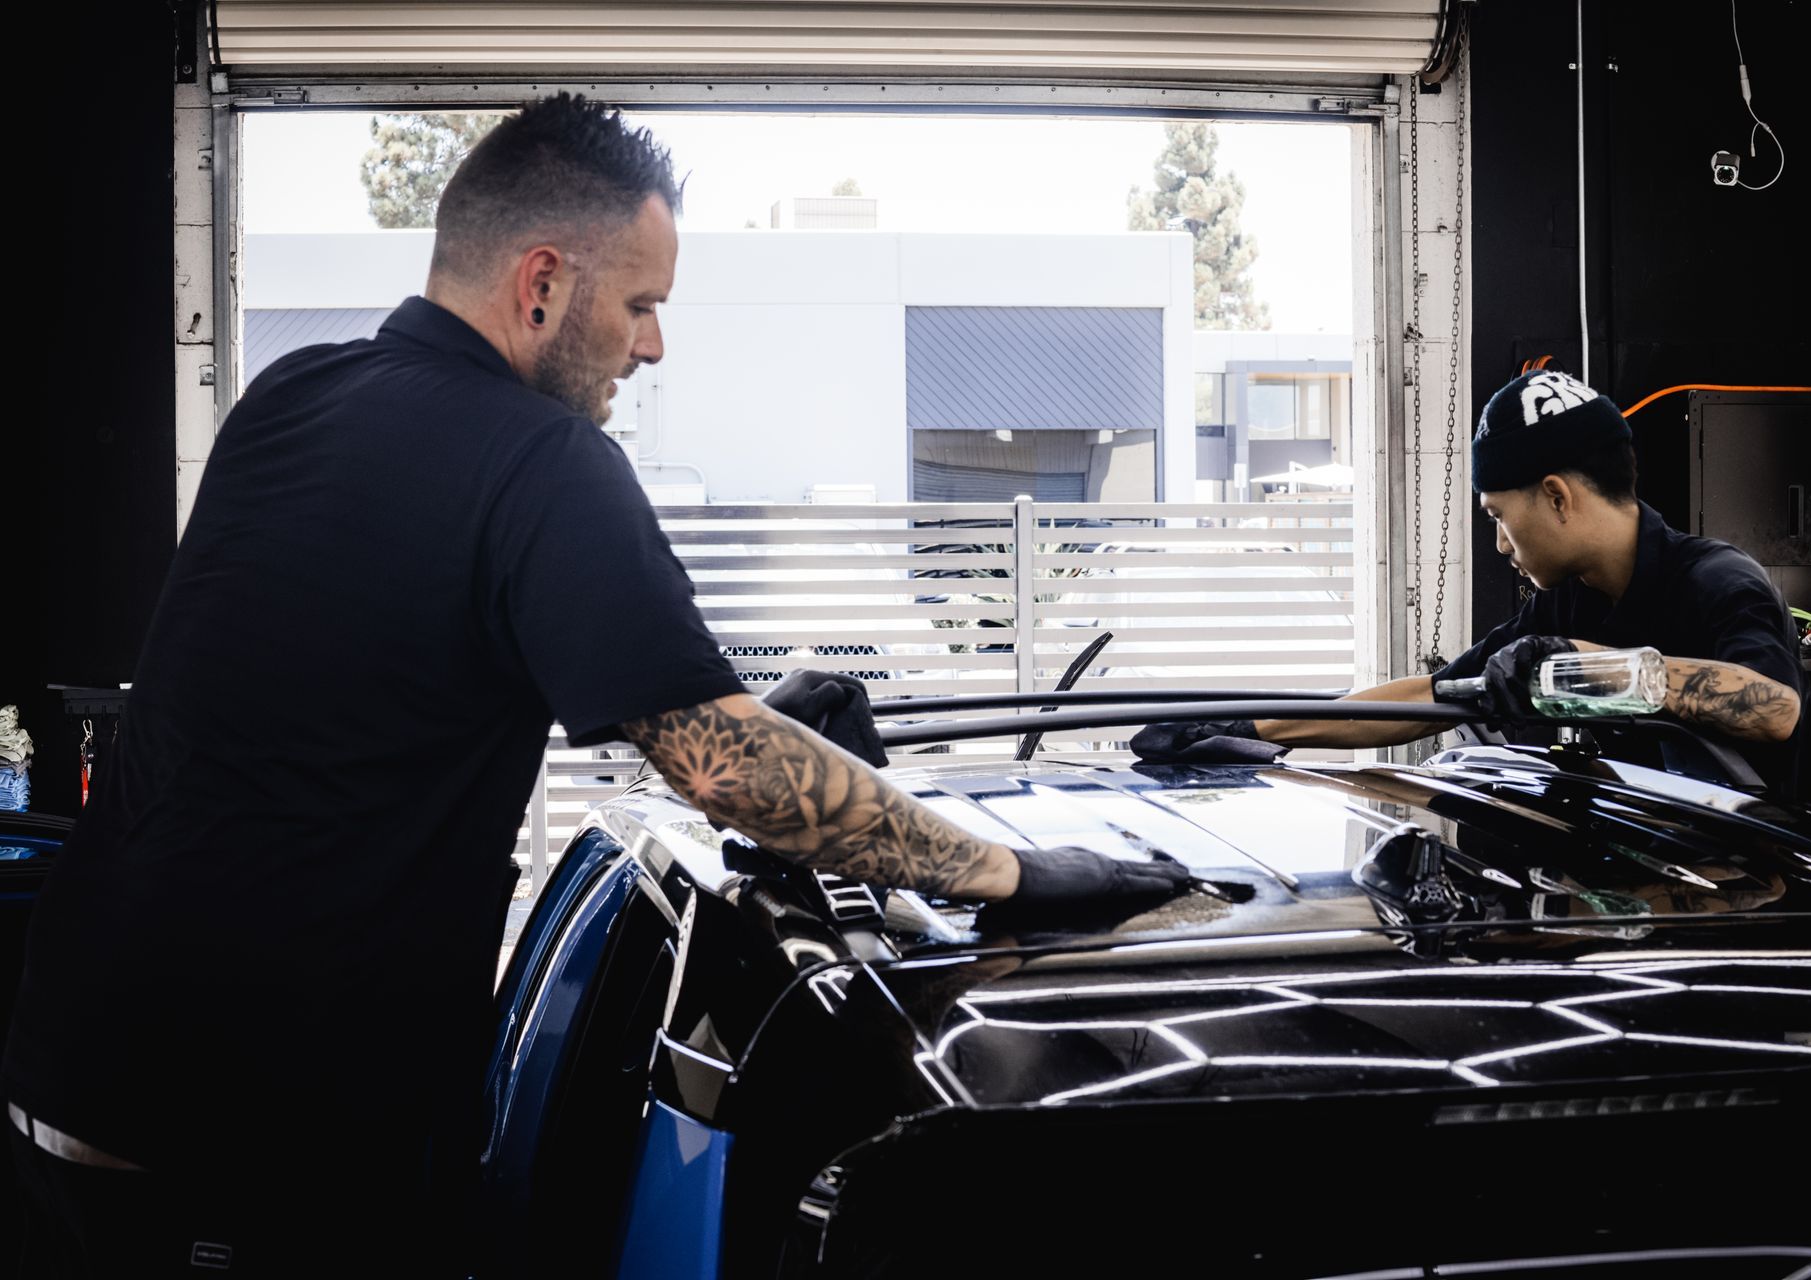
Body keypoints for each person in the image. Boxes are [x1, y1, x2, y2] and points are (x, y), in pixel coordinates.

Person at [4, 95, 1186, 1278]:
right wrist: (1015, 869)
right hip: (246, 1152)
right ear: (541, 286)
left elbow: (368, 674)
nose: (653, 345)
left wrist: (752, 713)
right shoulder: (545, 460)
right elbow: (728, 771)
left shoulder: (291, 395)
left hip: (71, 1081)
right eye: (641, 304)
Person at [1136, 369, 1811, 798]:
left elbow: (1777, 708)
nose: (1498, 544)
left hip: (1757, 901)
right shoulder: (1563, 603)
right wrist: (1250, 726)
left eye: (1499, 517)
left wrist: (1607, 674)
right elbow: (1433, 697)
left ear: (1555, 496)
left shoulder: (1719, 580)